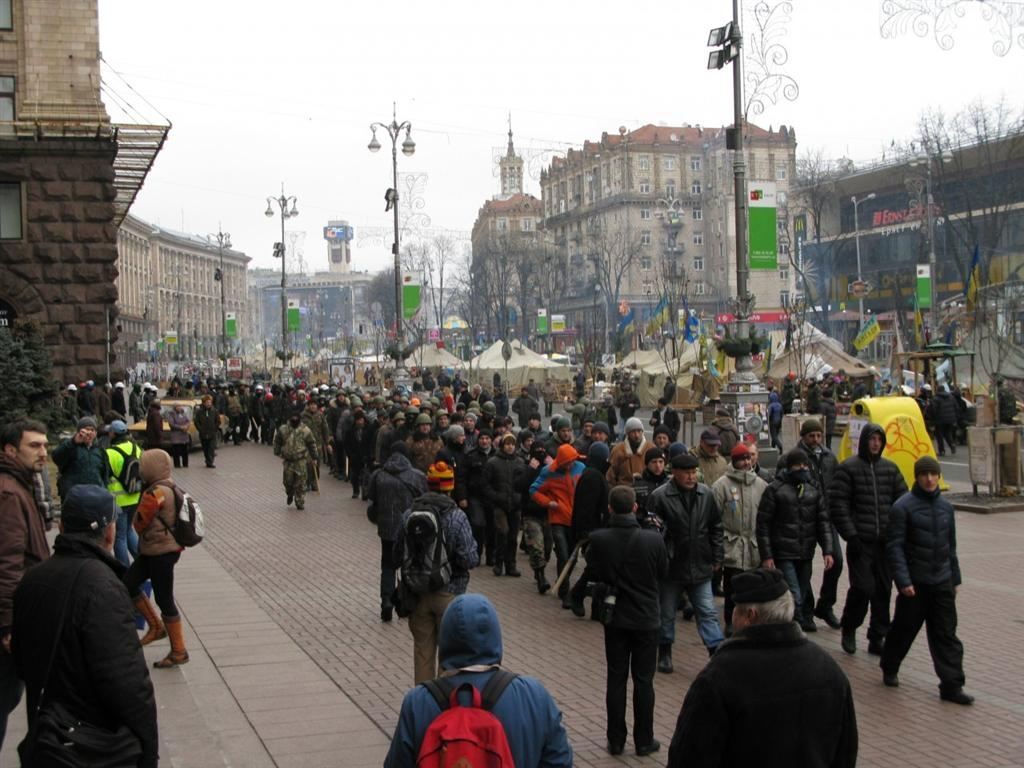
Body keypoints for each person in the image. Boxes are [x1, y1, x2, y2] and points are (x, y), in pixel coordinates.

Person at [12, 484, 159, 767]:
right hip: (92, 744)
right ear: (110, 531)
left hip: (47, 735)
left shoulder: (31, 579)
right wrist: (149, 753)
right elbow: (128, 684)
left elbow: (21, 659)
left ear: (62, 524)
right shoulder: (104, 587)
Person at [667, 568, 858, 768]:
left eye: (735, 610)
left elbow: (689, 757)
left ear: (750, 615)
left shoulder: (720, 677)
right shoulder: (830, 672)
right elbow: (845, 754)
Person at [384, 593, 572, 768]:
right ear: (495, 635)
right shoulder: (533, 696)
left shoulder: (418, 702)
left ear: (446, 638)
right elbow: (560, 760)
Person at [570, 487, 668, 757]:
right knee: (644, 681)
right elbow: (663, 572)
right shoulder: (654, 540)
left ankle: (615, 740)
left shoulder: (599, 539)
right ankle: (644, 740)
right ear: (635, 507)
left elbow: (594, 571)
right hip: (647, 617)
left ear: (610, 508)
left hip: (615, 616)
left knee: (616, 678)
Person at [880, 456, 973, 704]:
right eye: (924, 475)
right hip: (915, 584)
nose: (930, 479)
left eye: (933, 474)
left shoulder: (946, 508)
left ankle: (952, 685)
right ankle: (890, 666)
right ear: (917, 477)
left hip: (941, 581)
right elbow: (895, 548)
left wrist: (955, 578)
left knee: (946, 635)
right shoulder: (903, 507)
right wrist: (903, 581)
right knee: (903, 630)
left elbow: (950, 547)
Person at [394, 460, 478, 683]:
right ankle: (444, 703)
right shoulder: (456, 516)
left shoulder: (408, 514)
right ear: (449, 487)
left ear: (427, 485)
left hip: (416, 594)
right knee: (449, 653)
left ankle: (423, 703)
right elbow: (469, 558)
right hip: (449, 593)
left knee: (422, 652)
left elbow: (396, 553)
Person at [830, 422, 908, 656]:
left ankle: (877, 635)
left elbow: (902, 502)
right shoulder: (849, 468)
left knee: (883, 590)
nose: (875, 444)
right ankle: (850, 627)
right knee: (863, 588)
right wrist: (850, 534)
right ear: (864, 441)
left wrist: (899, 532)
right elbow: (838, 504)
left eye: (879, 440)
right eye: (871, 439)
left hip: (885, 543)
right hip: (860, 542)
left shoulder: (890, 469)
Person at [0, 419, 50, 751]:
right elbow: (7, 563)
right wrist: (8, 625)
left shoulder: (19, 484)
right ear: (9, 449)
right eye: (34, 446)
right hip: (9, 623)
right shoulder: (7, 492)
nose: (43, 452)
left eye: (45, 445)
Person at [649, 453, 725, 671]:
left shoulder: (706, 494)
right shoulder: (660, 497)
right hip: (671, 565)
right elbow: (652, 531)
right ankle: (664, 651)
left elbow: (716, 528)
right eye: (687, 473)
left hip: (700, 562)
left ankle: (715, 649)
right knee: (667, 612)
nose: (691, 477)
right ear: (675, 473)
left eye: (694, 472)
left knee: (707, 610)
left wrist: (717, 556)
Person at [122, 449, 189, 669]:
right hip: (157, 550)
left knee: (164, 598)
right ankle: (155, 626)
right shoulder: (169, 485)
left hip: (161, 551)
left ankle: (179, 650)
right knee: (129, 583)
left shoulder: (156, 492)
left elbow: (139, 522)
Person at [757, 448, 835, 632]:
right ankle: (794, 628)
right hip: (783, 551)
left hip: (805, 551)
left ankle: (788, 625)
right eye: (798, 465)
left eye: (804, 465)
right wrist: (767, 555)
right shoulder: (775, 490)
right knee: (794, 594)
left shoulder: (812, 489)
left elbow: (822, 522)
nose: (802, 468)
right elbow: (763, 524)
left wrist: (828, 550)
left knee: (801, 589)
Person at [711, 444, 768, 635]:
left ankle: (752, 622)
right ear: (734, 461)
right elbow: (714, 518)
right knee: (732, 587)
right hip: (732, 545)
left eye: (748, 458)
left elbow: (765, 517)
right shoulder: (721, 486)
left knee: (753, 587)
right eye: (741, 459)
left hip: (753, 545)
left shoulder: (760, 485)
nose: (746, 462)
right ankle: (730, 620)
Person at [367, 442, 427, 622]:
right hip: (411, 527)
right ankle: (406, 601)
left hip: (387, 528)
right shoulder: (417, 476)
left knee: (387, 565)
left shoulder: (378, 475)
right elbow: (424, 499)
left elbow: (371, 501)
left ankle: (386, 600)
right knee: (411, 564)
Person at [793, 418, 843, 630]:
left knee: (837, 562)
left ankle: (825, 604)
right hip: (804, 519)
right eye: (811, 435)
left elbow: (839, 485)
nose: (815, 439)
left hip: (827, 517)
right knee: (804, 568)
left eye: (818, 435)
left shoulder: (830, 457)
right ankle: (806, 610)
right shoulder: (795, 458)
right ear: (803, 436)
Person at [530, 444, 585, 609]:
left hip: (575, 520)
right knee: (562, 553)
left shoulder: (581, 468)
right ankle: (565, 592)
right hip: (558, 518)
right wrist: (548, 503)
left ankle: (562, 582)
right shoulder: (549, 472)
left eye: (572, 462)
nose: (570, 465)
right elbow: (534, 490)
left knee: (572, 556)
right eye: (567, 463)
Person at [483, 433, 525, 577]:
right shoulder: (493, 462)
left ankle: (511, 565)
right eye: (507, 444)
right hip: (499, 504)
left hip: (515, 504)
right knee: (503, 532)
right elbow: (485, 485)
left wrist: (520, 498)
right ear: (502, 446)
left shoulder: (520, 462)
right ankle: (498, 563)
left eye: (512, 444)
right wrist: (495, 497)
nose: (510, 447)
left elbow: (524, 483)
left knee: (513, 537)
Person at [105, 419, 143, 567]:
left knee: (119, 536)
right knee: (129, 531)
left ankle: (124, 570)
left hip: (118, 500)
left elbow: (105, 476)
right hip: (135, 497)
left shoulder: (109, 453)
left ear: (113, 434)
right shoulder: (136, 448)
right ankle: (142, 563)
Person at [51, 416, 108, 504]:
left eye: (92, 430)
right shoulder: (70, 446)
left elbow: (105, 474)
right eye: (85, 430)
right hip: (73, 499)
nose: (89, 433)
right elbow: (57, 458)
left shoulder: (100, 450)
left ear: (96, 433)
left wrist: (103, 490)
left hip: (95, 497)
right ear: (79, 432)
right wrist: (73, 442)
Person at [273, 412, 318, 510]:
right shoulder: (283, 429)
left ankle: (300, 501)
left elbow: (311, 443)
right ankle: (290, 493)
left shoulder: (305, 430)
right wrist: (277, 451)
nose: (294, 419)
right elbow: (277, 440)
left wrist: (314, 457)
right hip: (288, 460)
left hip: (301, 460)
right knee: (287, 481)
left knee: (301, 482)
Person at [607, 418, 651, 488]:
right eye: (633, 432)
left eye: (639, 431)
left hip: (645, 487)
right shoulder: (618, 450)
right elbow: (611, 475)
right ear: (628, 433)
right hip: (623, 490)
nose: (636, 435)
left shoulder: (650, 448)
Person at [194, 394, 220, 468]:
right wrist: (200, 429)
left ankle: (210, 462)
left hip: (212, 433)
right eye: (207, 402)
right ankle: (207, 459)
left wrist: (215, 428)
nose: (209, 403)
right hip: (203, 433)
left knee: (211, 448)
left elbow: (218, 421)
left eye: (210, 402)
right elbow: (196, 421)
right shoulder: (199, 412)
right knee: (205, 448)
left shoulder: (214, 411)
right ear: (204, 403)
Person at [167, 402, 192, 468]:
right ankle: (177, 464)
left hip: (184, 435)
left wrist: (186, 426)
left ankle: (185, 464)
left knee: (185, 451)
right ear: (175, 407)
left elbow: (188, 421)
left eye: (180, 406)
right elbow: (171, 424)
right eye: (178, 406)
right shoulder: (172, 414)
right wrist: (180, 427)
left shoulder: (183, 413)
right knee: (176, 451)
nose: (180, 407)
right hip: (176, 435)